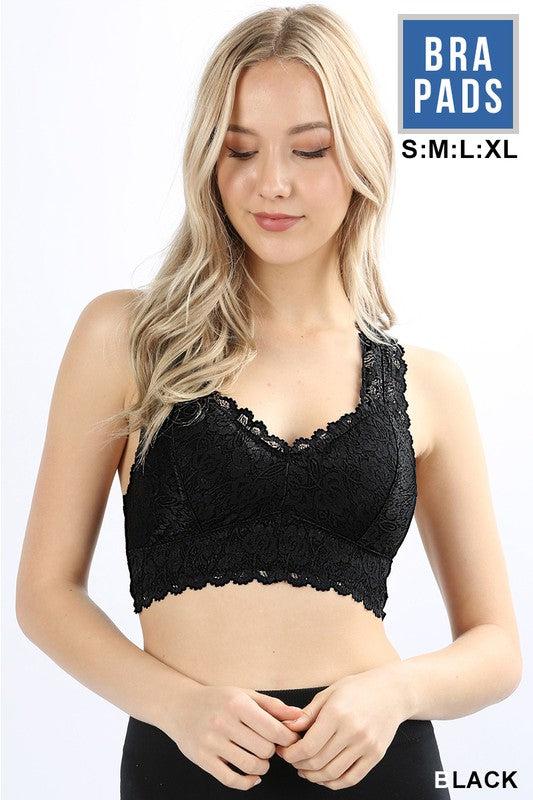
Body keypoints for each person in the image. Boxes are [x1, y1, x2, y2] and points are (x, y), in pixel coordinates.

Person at [16, 5, 522, 798]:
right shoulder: (128, 337)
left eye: (309, 149)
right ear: (207, 160)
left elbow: (496, 648)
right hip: (187, 760)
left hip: (375, 765)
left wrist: (394, 693)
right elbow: (44, 596)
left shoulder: (427, 383)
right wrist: (176, 707)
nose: (271, 183)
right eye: (240, 149)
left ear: (360, 154)